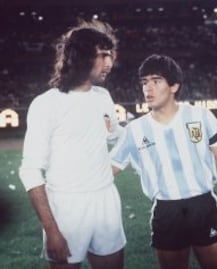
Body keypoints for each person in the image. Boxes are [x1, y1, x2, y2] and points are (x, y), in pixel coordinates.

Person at [110, 54, 217, 269]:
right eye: (144, 82)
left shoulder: (200, 116)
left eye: (156, 81)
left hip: (203, 205)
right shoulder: (134, 130)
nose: (148, 88)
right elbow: (109, 169)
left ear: (174, 86)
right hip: (166, 211)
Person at [18, 20, 126, 269]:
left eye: (110, 55)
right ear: (80, 56)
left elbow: (116, 135)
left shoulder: (103, 97)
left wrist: (152, 126)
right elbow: (30, 170)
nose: (109, 63)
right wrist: (51, 229)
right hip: (66, 207)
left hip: (106, 200)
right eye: (103, 55)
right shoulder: (47, 104)